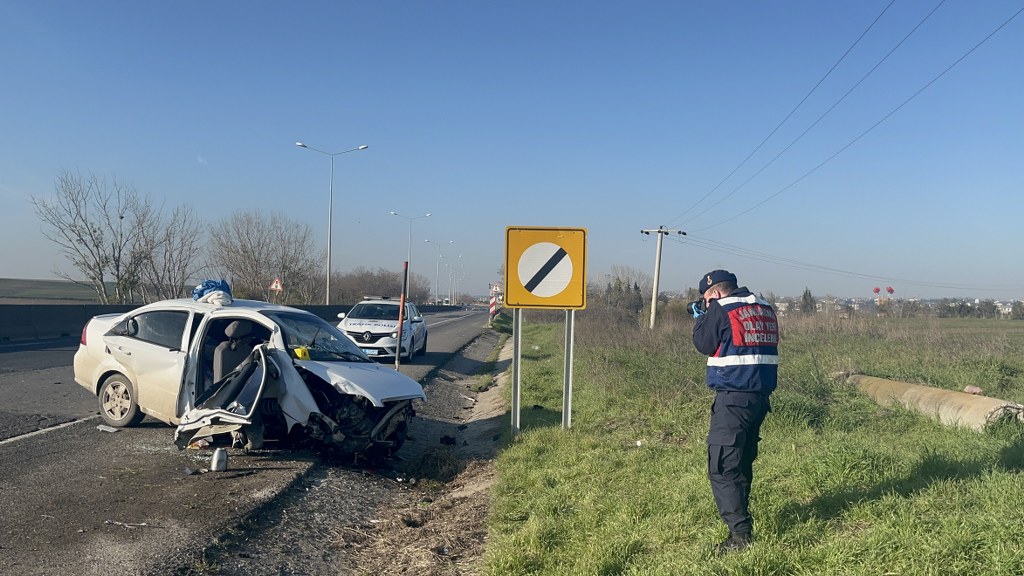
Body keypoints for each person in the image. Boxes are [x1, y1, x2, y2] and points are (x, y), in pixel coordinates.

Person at [689, 270, 779, 554]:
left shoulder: (720, 307)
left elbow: (703, 343)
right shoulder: (764, 306)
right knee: (741, 462)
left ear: (714, 293)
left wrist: (701, 317)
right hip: (760, 397)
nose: (706, 303)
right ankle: (742, 521)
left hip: (733, 398)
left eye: (706, 299)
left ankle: (740, 537)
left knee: (723, 466)